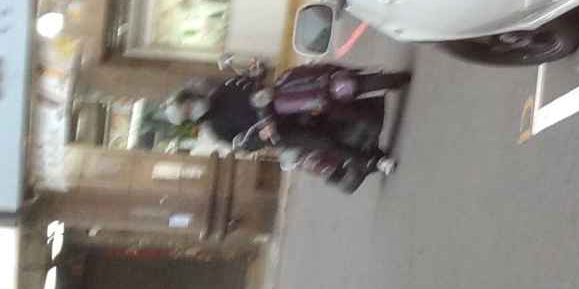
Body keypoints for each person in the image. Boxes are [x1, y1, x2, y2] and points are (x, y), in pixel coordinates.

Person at [171, 61, 408, 193]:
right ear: (190, 119)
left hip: (277, 102)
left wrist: (257, 72)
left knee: (300, 75)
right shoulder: (216, 128)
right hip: (276, 130)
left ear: (193, 96)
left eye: (189, 104)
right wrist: (259, 135)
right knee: (323, 142)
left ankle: (354, 78)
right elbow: (240, 144)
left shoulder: (225, 88)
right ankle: (375, 161)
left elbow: (250, 82)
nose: (192, 108)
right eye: (188, 112)